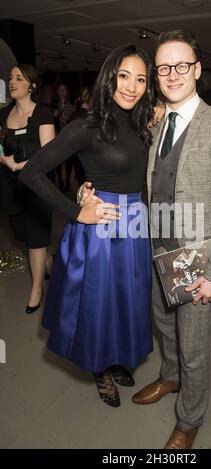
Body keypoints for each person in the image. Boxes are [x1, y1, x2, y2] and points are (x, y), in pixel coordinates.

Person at [130, 30, 211, 449]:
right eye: (164, 67)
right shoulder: (158, 122)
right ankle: (170, 376)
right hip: (157, 248)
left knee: (194, 344)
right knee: (164, 325)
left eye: (183, 65)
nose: (173, 74)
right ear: (157, 74)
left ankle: (190, 417)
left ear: (197, 69)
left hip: (199, 259)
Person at [19, 44, 155, 408]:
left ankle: (115, 357)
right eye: (124, 76)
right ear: (109, 78)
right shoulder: (85, 127)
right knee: (99, 305)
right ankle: (101, 368)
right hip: (101, 231)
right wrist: (75, 209)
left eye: (140, 79)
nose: (131, 86)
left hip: (135, 228)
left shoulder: (143, 125)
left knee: (126, 301)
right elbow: (32, 172)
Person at [0, 64, 55, 313]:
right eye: (10, 77)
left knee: (35, 240)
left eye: (18, 78)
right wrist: (5, 160)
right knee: (23, 236)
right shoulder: (3, 116)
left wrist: (19, 165)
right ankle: (49, 262)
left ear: (31, 85)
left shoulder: (42, 113)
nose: (12, 81)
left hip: (37, 185)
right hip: (11, 186)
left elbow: (49, 153)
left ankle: (36, 289)